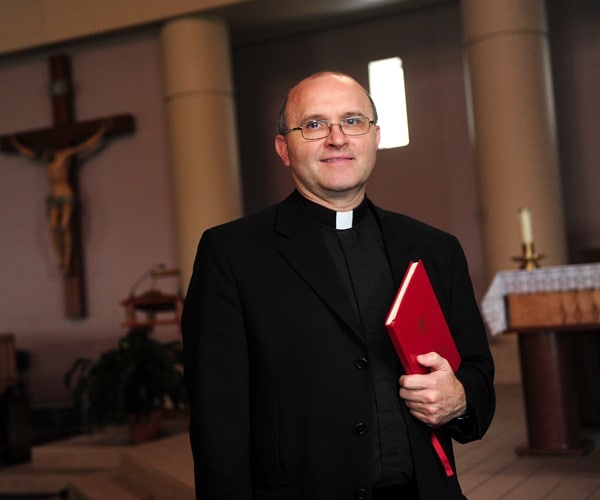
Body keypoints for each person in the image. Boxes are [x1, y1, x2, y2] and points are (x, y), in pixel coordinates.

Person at [182, 71, 495, 500]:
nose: (337, 138)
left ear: (375, 137)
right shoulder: (232, 253)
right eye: (313, 125)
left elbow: (477, 373)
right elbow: (218, 417)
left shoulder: (435, 248)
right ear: (283, 149)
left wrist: (459, 397)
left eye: (353, 121)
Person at [9, 121, 110, 274]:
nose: (44, 159)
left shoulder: (63, 156)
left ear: (49, 151)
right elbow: (28, 152)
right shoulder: (44, 159)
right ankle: (60, 261)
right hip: (53, 197)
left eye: (46, 156)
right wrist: (15, 143)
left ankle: (67, 259)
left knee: (64, 226)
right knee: (53, 228)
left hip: (65, 194)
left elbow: (84, 146)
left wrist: (100, 134)